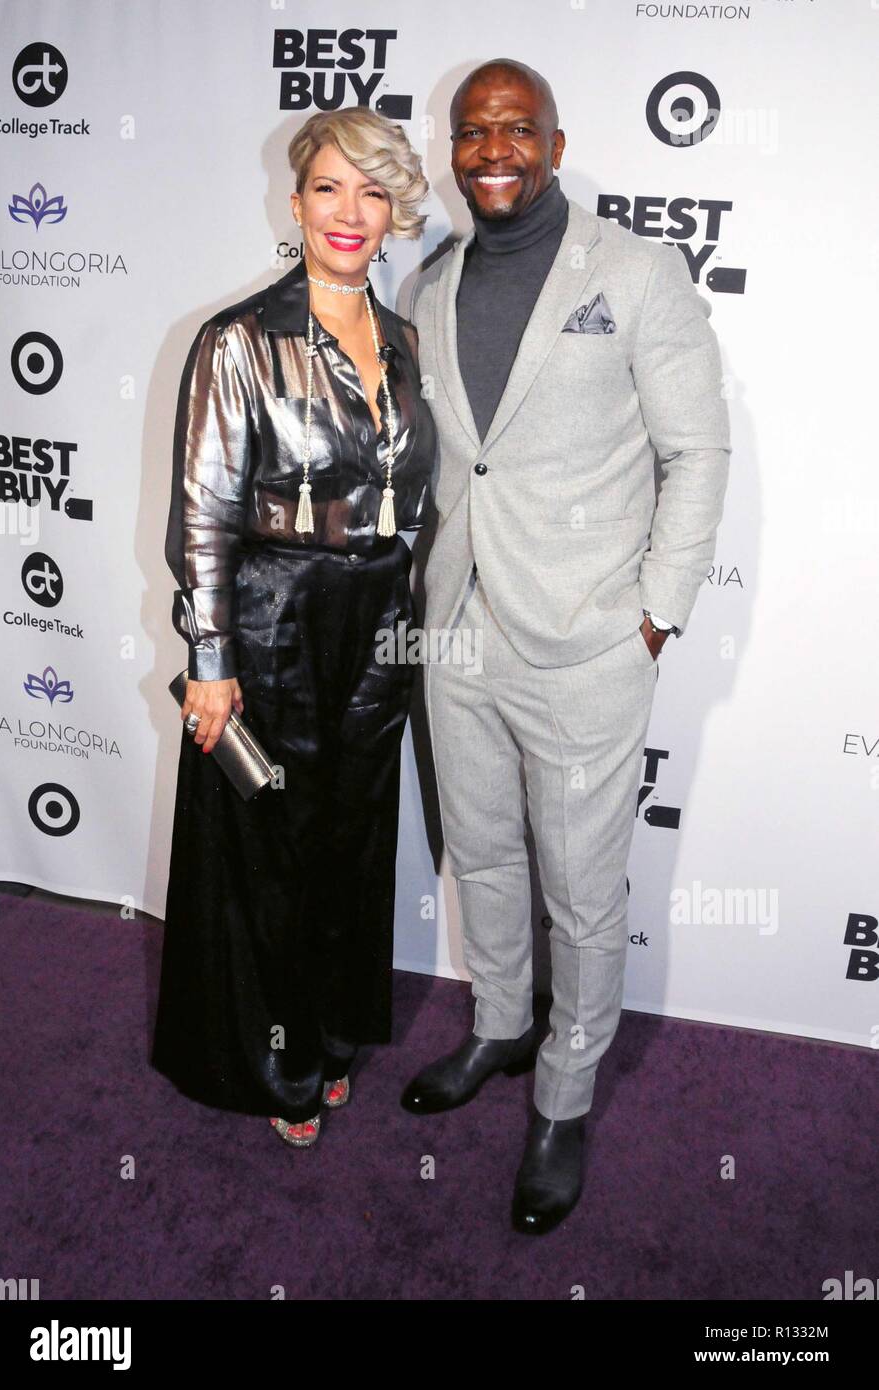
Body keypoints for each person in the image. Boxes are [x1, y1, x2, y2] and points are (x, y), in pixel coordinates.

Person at [401, 60, 731, 1232]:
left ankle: (563, 1091)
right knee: (482, 852)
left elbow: (697, 450)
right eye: (472, 130)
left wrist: (655, 610)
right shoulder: (429, 286)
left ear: (552, 138)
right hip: (457, 632)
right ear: (450, 148)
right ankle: (498, 1023)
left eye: (514, 128)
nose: (493, 148)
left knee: (584, 894)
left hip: (587, 638)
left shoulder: (635, 272)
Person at [152, 107, 434, 1148]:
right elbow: (202, 515)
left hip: (376, 622)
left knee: (352, 837)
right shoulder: (241, 339)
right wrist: (210, 665)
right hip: (274, 615)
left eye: (371, 192)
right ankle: (279, 1059)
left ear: (394, 208)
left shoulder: (402, 339)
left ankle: (332, 1025)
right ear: (295, 199)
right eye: (328, 188)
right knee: (270, 838)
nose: (350, 213)